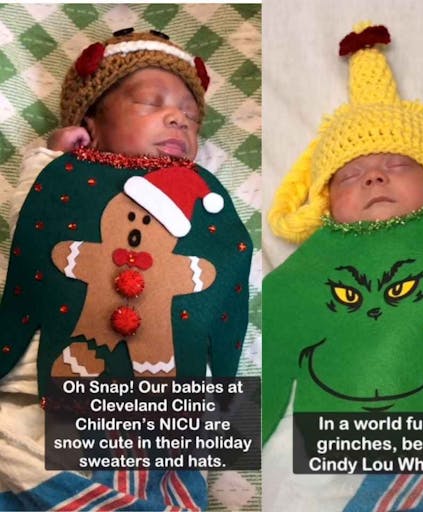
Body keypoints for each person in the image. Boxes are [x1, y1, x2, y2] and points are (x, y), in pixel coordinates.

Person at [263, 21, 423, 512]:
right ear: (326, 203)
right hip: (333, 431)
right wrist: (260, 415)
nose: (373, 175)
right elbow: (277, 314)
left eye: (398, 165)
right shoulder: (321, 251)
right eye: (350, 175)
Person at [0, 28, 251, 510]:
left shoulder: (205, 197)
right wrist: (54, 153)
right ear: (90, 123)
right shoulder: (62, 173)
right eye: (151, 102)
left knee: (162, 474)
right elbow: (32, 221)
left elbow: (223, 282)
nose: (178, 117)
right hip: (50, 383)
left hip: (156, 402)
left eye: (191, 116)